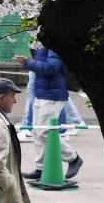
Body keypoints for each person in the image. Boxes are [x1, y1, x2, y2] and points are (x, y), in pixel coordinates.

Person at [15, 45, 83, 181]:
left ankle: (73, 158)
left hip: (52, 95)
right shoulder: (40, 44)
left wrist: (27, 62)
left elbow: (51, 67)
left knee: (44, 132)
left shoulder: (53, 44)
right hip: (41, 93)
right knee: (35, 131)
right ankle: (41, 168)